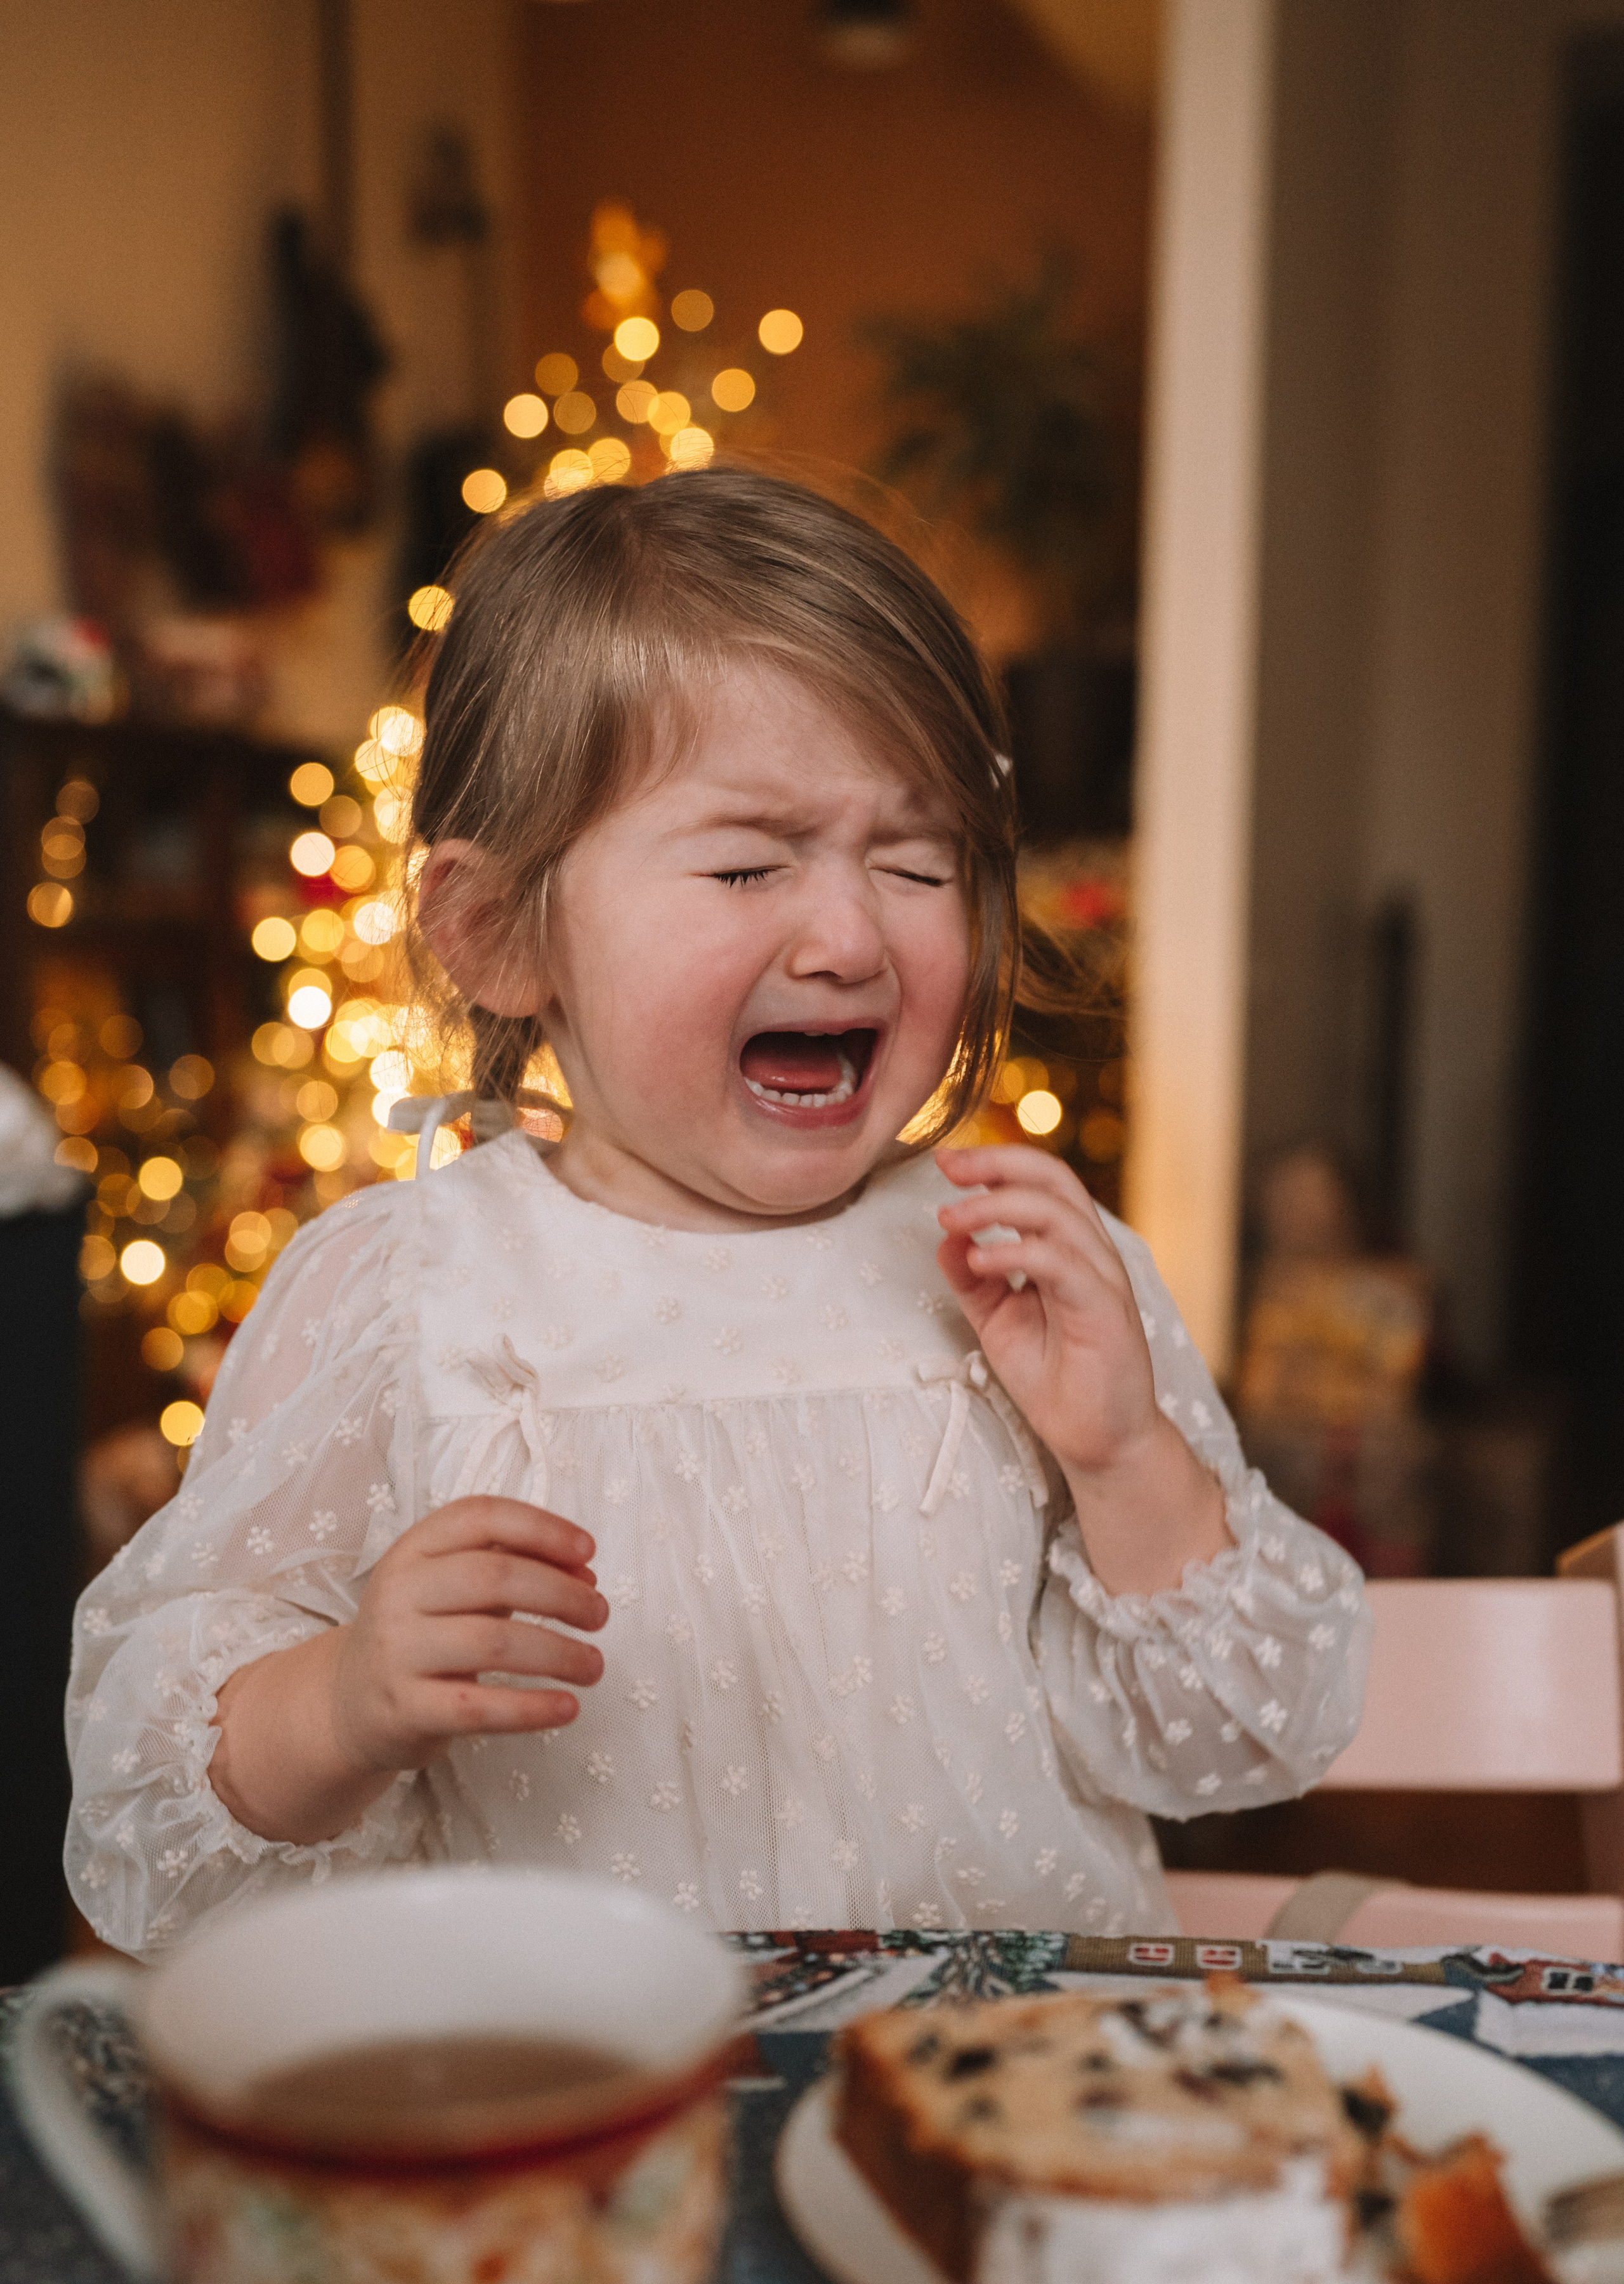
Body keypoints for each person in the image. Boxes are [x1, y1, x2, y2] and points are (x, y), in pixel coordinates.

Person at [67, 469, 1370, 1958]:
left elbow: (1245, 1740)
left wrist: (1127, 1461)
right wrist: (345, 1699)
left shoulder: (1018, 1272)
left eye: (917, 861)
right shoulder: (404, 1294)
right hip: (586, 2075)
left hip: (1005, 2070)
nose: (849, 936)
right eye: (748, 863)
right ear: (493, 931)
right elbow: (149, 1814)